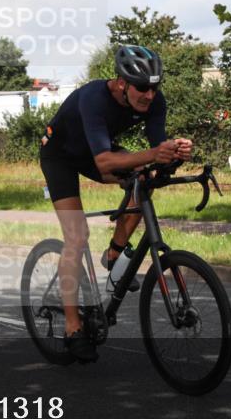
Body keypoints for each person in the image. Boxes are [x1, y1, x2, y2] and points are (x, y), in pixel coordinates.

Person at [39, 45, 193, 362]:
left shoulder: (154, 102)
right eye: (142, 88)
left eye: (155, 87)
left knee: (144, 182)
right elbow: (106, 162)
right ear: (122, 83)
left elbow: (155, 151)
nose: (150, 95)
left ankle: (113, 255)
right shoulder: (95, 97)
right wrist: (153, 155)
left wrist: (174, 152)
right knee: (77, 236)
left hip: (99, 152)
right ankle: (72, 328)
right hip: (61, 157)